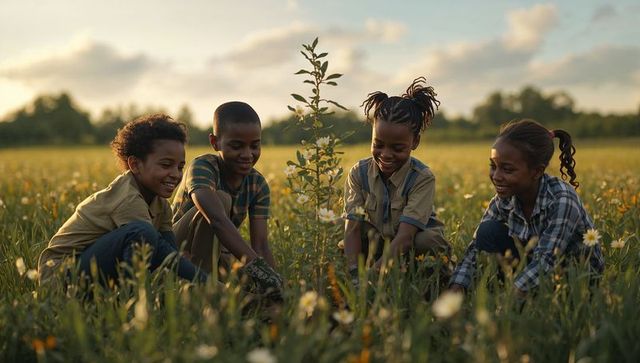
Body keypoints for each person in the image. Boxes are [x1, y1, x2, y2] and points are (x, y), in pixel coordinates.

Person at [37, 114, 282, 297]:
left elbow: (170, 249)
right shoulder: (127, 198)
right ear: (135, 164)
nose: (175, 174)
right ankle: (134, 303)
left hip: (95, 269)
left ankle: (141, 299)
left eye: (179, 166)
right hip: (62, 278)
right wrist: (209, 284)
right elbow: (158, 252)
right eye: (166, 165)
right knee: (142, 235)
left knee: (152, 241)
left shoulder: (159, 203)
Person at [449, 119, 604, 295]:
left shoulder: (562, 200)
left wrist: (507, 303)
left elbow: (547, 260)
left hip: (574, 278)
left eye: (507, 170)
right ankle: (510, 291)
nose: (496, 176)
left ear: (537, 172)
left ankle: (517, 296)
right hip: (533, 267)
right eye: (493, 166)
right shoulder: (504, 199)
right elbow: (474, 249)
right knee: (487, 231)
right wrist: (456, 288)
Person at [343, 77, 451, 285]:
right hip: (383, 242)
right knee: (347, 229)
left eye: (397, 148)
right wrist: (354, 274)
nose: (386, 154)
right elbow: (353, 229)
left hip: (412, 243)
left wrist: (373, 276)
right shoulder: (359, 173)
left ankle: (427, 278)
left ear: (415, 142)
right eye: (378, 144)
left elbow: (405, 238)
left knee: (426, 241)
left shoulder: (421, 177)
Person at [171, 101, 277, 280]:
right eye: (236, 146)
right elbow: (217, 220)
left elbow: (260, 246)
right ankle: (201, 286)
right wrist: (260, 271)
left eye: (254, 146)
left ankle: (209, 284)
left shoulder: (257, 185)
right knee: (221, 199)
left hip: (217, 252)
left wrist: (274, 280)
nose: (247, 154)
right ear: (215, 142)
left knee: (254, 288)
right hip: (175, 248)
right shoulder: (202, 167)